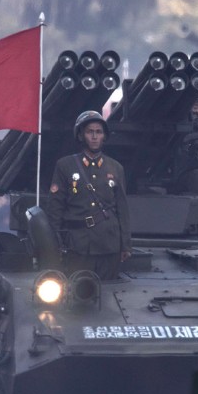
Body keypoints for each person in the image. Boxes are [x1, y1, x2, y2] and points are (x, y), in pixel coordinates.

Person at [44, 110, 131, 280]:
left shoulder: (115, 168)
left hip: (109, 244)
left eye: (98, 132)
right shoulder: (65, 166)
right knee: (78, 295)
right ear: (81, 135)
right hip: (79, 245)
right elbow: (55, 207)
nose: (94, 136)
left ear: (104, 136)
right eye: (90, 132)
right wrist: (55, 243)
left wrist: (125, 245)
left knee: (109, 294)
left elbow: (122, 209)